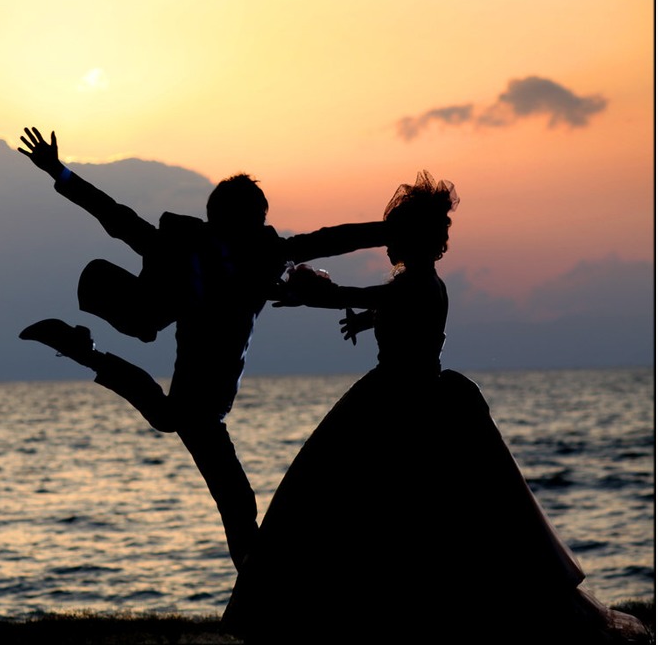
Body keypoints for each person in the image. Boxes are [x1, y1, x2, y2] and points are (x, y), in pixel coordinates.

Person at [222, 171, 648, 644]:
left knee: (362, 503)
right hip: (416, 396)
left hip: (406, 402)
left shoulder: (416, 286)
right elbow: (387, 305)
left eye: (396, 234)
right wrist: (364, 320)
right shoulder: (420, 284)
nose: (389, 243)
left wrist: (323, 296)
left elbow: (370, 296)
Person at [16, 126, 387, 572]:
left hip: (203, 401)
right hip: (202, 403)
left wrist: (389, 230)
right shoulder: (203, 251)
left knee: (177, 429)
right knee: (231, 493)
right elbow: (115, 216)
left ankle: (85, 350)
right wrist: (60, 172)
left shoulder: (260, 256)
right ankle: (256, 595)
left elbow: (332, 239)